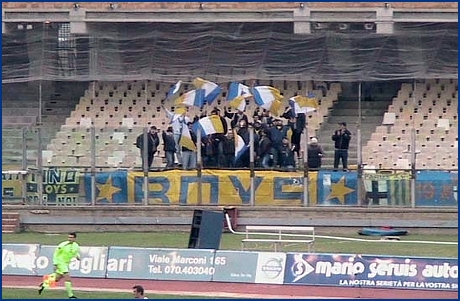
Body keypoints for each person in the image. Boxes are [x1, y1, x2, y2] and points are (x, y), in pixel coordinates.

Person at [38, 232, 80, 299]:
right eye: (69, 237)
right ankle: (71, 296)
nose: (70, 239)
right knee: (68, 278)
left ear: (75, 238)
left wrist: (78, 257)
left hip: (66, 263)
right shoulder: (63, 244)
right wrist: (55, 263)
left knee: (57, 278)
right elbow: (56, 253)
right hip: (60, 262)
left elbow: (75, 252)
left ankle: (44, 283)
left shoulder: (76, 245)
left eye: (71, 237)